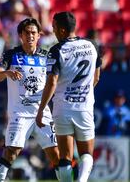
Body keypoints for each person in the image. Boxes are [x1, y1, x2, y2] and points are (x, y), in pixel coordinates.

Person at [36, 12, 101, 182]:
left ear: (63, 30)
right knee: (86, 154)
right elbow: (96, 77)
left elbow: (52, 83)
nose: (53, 30)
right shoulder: (92, 45)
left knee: (65, 158)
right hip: (84, 108)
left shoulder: (56, 50)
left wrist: (41, 109)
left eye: (55, 27)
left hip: (62, 109)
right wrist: (83, 91)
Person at [0, 18, 60, 181]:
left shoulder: (47, 56)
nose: (30, 36)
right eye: (27, 33)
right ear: (21, 35)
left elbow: (56, 80)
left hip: (42, 114)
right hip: (19, 114)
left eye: (33, 33)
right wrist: (6, 73)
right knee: (11, 152)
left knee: (56, 155)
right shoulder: (11, 54)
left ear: (39, 36)